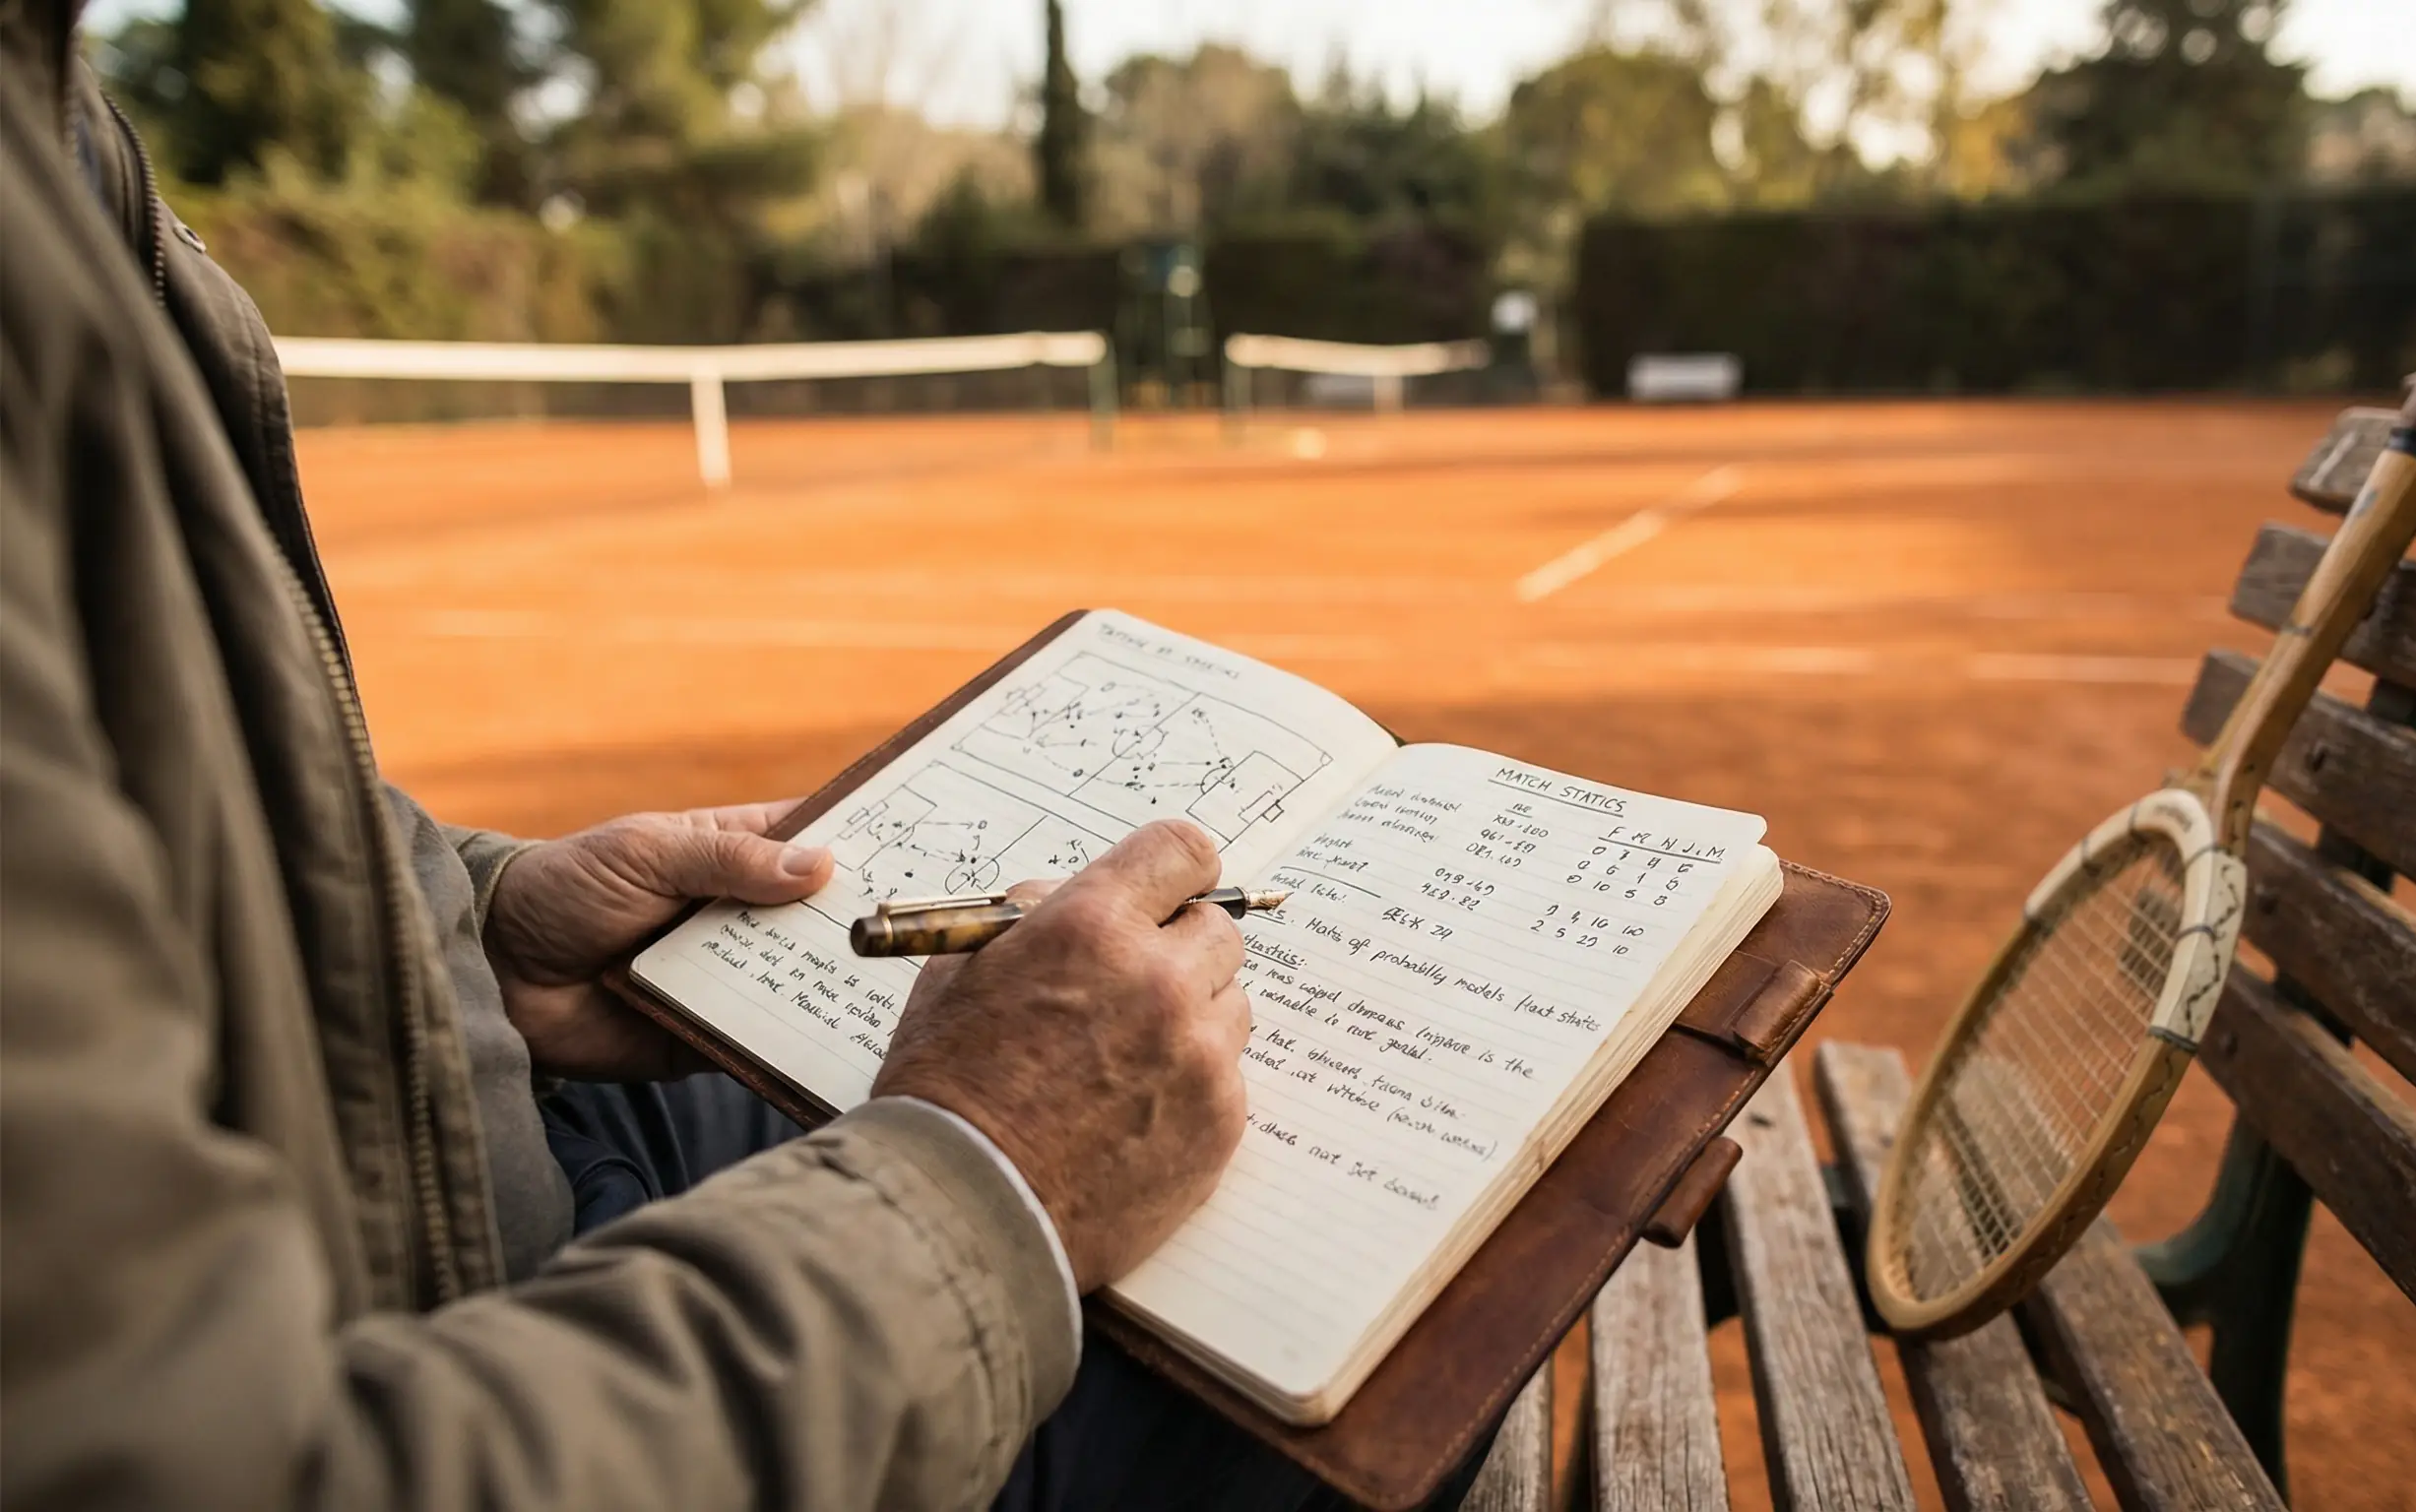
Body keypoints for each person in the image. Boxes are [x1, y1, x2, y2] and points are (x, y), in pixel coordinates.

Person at [0, 16, 1478, 1508]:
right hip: (508, 1364)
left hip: (506, 1142)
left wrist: (471, 921)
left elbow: (148, 824)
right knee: (1419, 1356)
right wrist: (998, 1179)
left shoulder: (47, 109)